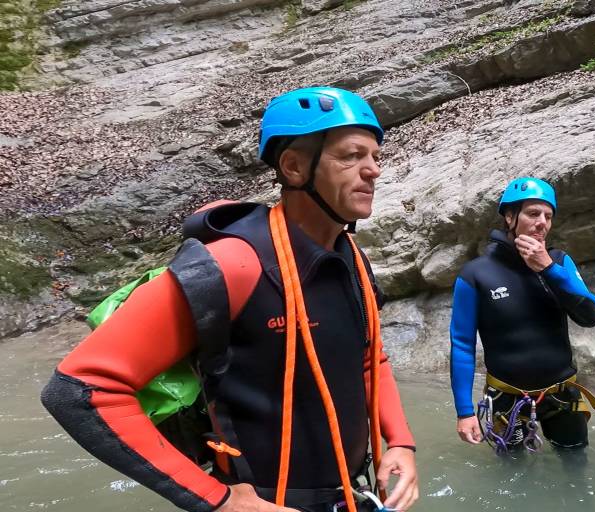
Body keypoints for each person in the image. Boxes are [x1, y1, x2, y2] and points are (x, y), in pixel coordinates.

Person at [41, 87, 419, 512]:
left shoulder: (350, 259)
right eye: (351, 156)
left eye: (375, 156)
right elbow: (81, 389)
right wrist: (216, 501)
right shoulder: (235, 264)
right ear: (294, 167)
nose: (374, 171)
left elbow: (369, 359)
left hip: (351, 495)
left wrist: (401, 442)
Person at [449, 177, 595, 452]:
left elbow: (591, 316)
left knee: (576, 463)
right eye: (533, 213)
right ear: (510, 217)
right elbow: (462, 344)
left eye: (548, 216)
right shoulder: (476, 274)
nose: (542, 222)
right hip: (507, 400)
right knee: (513, 473)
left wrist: (547, 269)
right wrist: (465, 412)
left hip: (561, 395)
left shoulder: (558, 262)